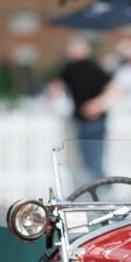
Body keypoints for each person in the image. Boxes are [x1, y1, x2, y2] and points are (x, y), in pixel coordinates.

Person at [52, 38, 112, 177]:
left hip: (87, 119)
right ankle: (99, 187)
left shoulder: (71, 68)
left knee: (90, 158)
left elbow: (56, 88)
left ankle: (100, 188)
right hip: (95, 117)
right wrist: (98, 104)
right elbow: (112, 87)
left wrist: (95, 105)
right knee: (94, 156)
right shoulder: (96, 66)